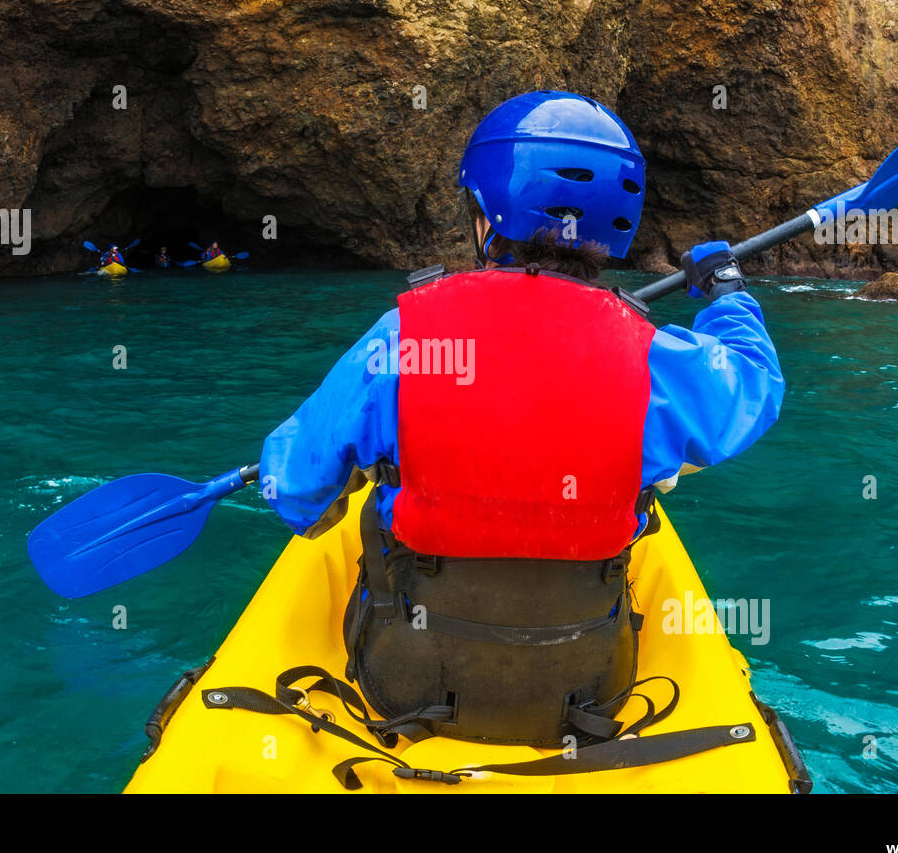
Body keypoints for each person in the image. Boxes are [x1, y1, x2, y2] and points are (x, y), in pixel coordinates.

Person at [259, 90, 784, 747]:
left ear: (485, 216)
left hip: (402, 682)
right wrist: (726, 292)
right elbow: (755, 387)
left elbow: (298, 497)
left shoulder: (402, 341)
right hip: (590, 687)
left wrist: (288, 468)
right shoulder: (657, 358)